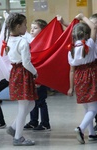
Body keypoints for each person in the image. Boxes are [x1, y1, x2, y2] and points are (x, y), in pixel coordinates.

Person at [5, 12, 38, 146]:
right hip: (23, 74)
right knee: (24, 107)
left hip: (15, 73)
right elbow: (26, 62)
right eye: (25, 25)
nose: (26, 27)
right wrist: (35, 72)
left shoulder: (9, 39)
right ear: (18, 26)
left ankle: (13, 128)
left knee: (31, 104)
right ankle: (18, 137)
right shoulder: (23, 42)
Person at [67, 13, 97, 144]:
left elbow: (72, 71)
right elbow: (94, 27)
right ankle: (81, 128)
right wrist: (83, 16)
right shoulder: (89, 44)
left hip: (79, 78)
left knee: (86, 107)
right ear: (86, 35)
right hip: (91, 75)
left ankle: (92, 134)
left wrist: (71, 87)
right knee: (94, 109)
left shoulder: (71, 51)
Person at [23, 19, 51, 131]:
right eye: (31, 27)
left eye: (35, 28)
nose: (32, 30)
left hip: (40, 77)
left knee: (41, 101)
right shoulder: (30, 40)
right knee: (32, 100)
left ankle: (45, 123)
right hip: (32, 76)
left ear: (43, 31)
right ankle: (33, 121)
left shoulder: (43, 44)